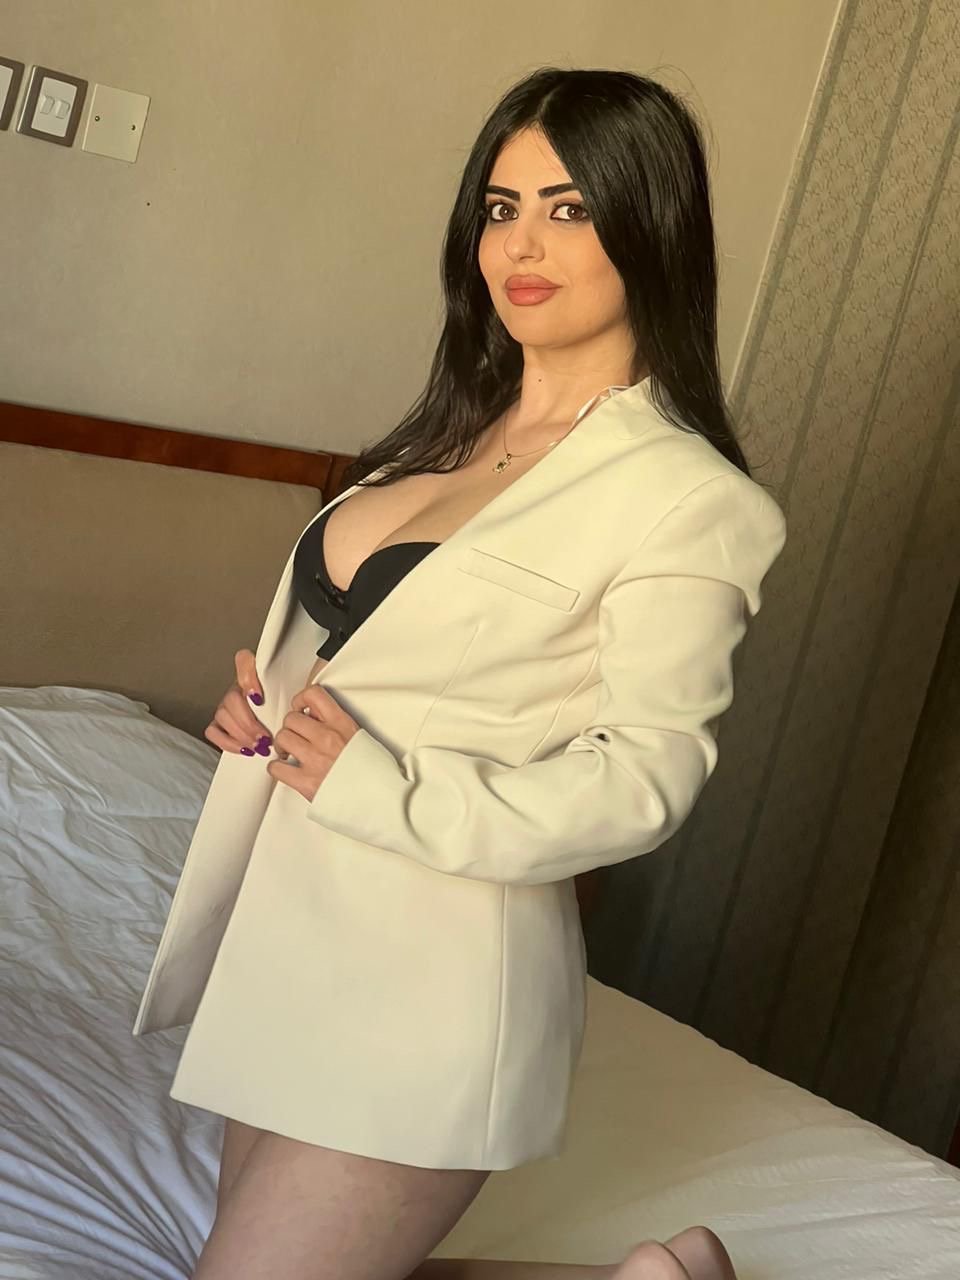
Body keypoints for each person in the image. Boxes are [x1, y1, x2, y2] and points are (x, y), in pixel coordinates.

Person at [169, 65, 786, 1280]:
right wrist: (266, 708)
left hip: (434, 979)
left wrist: (375, 783)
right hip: (286, 947)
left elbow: (644, 780)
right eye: (501, 208)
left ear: (650, 224)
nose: (523, 243)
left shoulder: (688, 498)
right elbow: (370, 649)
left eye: (569, 207)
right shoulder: (440, 437)